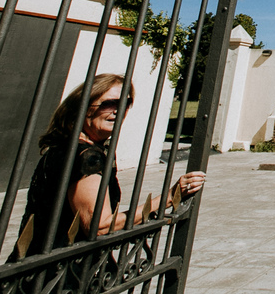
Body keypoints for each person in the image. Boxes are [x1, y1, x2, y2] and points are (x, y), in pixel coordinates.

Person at [14, 74, 206, 257]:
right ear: (85, 107)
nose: (118, 110)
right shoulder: (87, 157)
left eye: (125, 103)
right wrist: (169, 197)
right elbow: (99, 225)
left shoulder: (67, 147)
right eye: (109, 103)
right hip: (58, 274)